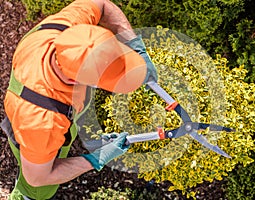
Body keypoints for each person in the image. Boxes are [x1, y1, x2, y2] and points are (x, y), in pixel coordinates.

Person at [0, 0, 157, 199]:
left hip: (39, 100)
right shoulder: (43, 123)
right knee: (38, 191)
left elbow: (101, 4)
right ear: (76, 81)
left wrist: (136, 47)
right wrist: (96, 158)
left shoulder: (68, 32)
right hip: (30, 133)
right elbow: (37, 177)